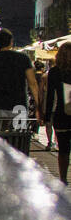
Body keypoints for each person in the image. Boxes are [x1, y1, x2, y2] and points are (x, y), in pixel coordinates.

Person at [0, 29, 41, 122]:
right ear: (11, 42)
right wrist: (38, 108)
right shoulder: (23, 59)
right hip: (19, 107)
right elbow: (33, 83)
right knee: (18, 135)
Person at [44, 43, 71, 183]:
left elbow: (50, 96)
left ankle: (63, 178)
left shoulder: (54, 72)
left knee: (63, 149)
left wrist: (47, 116)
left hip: (62, 114)